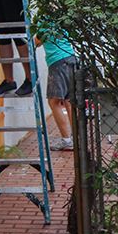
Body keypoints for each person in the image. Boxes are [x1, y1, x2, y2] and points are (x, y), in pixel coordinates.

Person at [34, 20, 77, 150]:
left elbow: (36, 42)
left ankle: (66, 140)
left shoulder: (44, 23)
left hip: (57, 62)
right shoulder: (60, 20)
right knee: (69, 101)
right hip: (71, 57)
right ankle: (77, 139)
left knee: (54, 102)